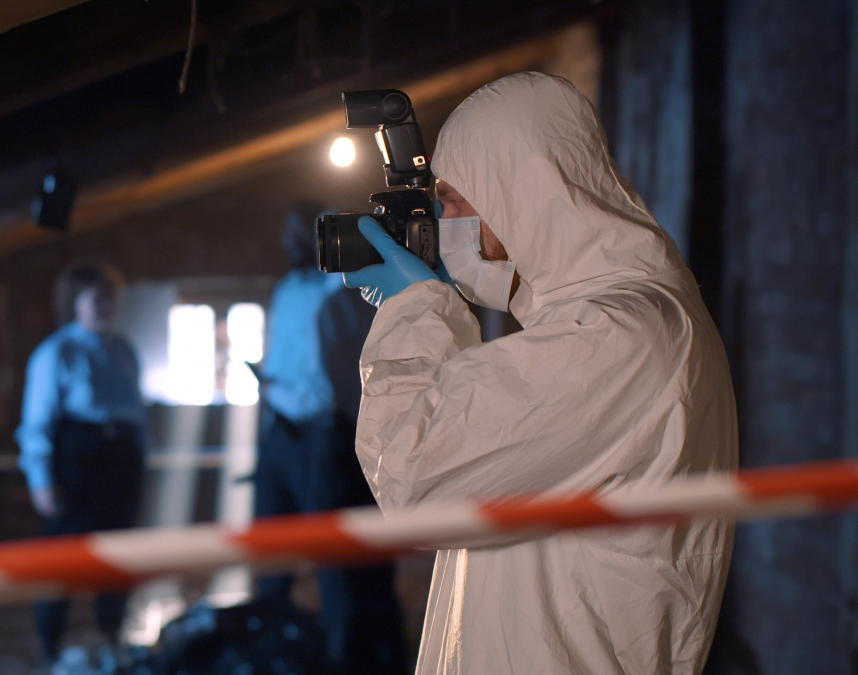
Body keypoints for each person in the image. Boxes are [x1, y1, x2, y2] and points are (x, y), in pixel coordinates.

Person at [342, 72, 736, 674]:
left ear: (519, 193)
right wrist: (433, 310)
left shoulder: (621, 336)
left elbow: (414, 479)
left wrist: (416, 312)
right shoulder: (614, 323)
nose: (446, 224)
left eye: (454, 200)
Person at [253, 201, 408, 675]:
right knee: (271, 551)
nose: (289, 243)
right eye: (287, 233)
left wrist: (281, 393)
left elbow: (332, 383)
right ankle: (270, 650)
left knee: (337, 560)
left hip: (323, 435)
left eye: (298, 233)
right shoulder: (286, 290)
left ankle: (352, 659)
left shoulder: (342, 292)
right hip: (280, 432)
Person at [15, 261, 146, 666]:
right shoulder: (56, 353)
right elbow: (36, 423)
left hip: (120, 460)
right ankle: (50, 644)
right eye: (97, 299)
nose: (107, 307)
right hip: (78, 461)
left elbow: (137, 411)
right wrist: (41, 480)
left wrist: (142, 458)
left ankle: (112, 639)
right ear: (75, 302)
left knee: (119, 556)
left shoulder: (124, 350)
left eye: (111, 298)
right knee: (62, 559)